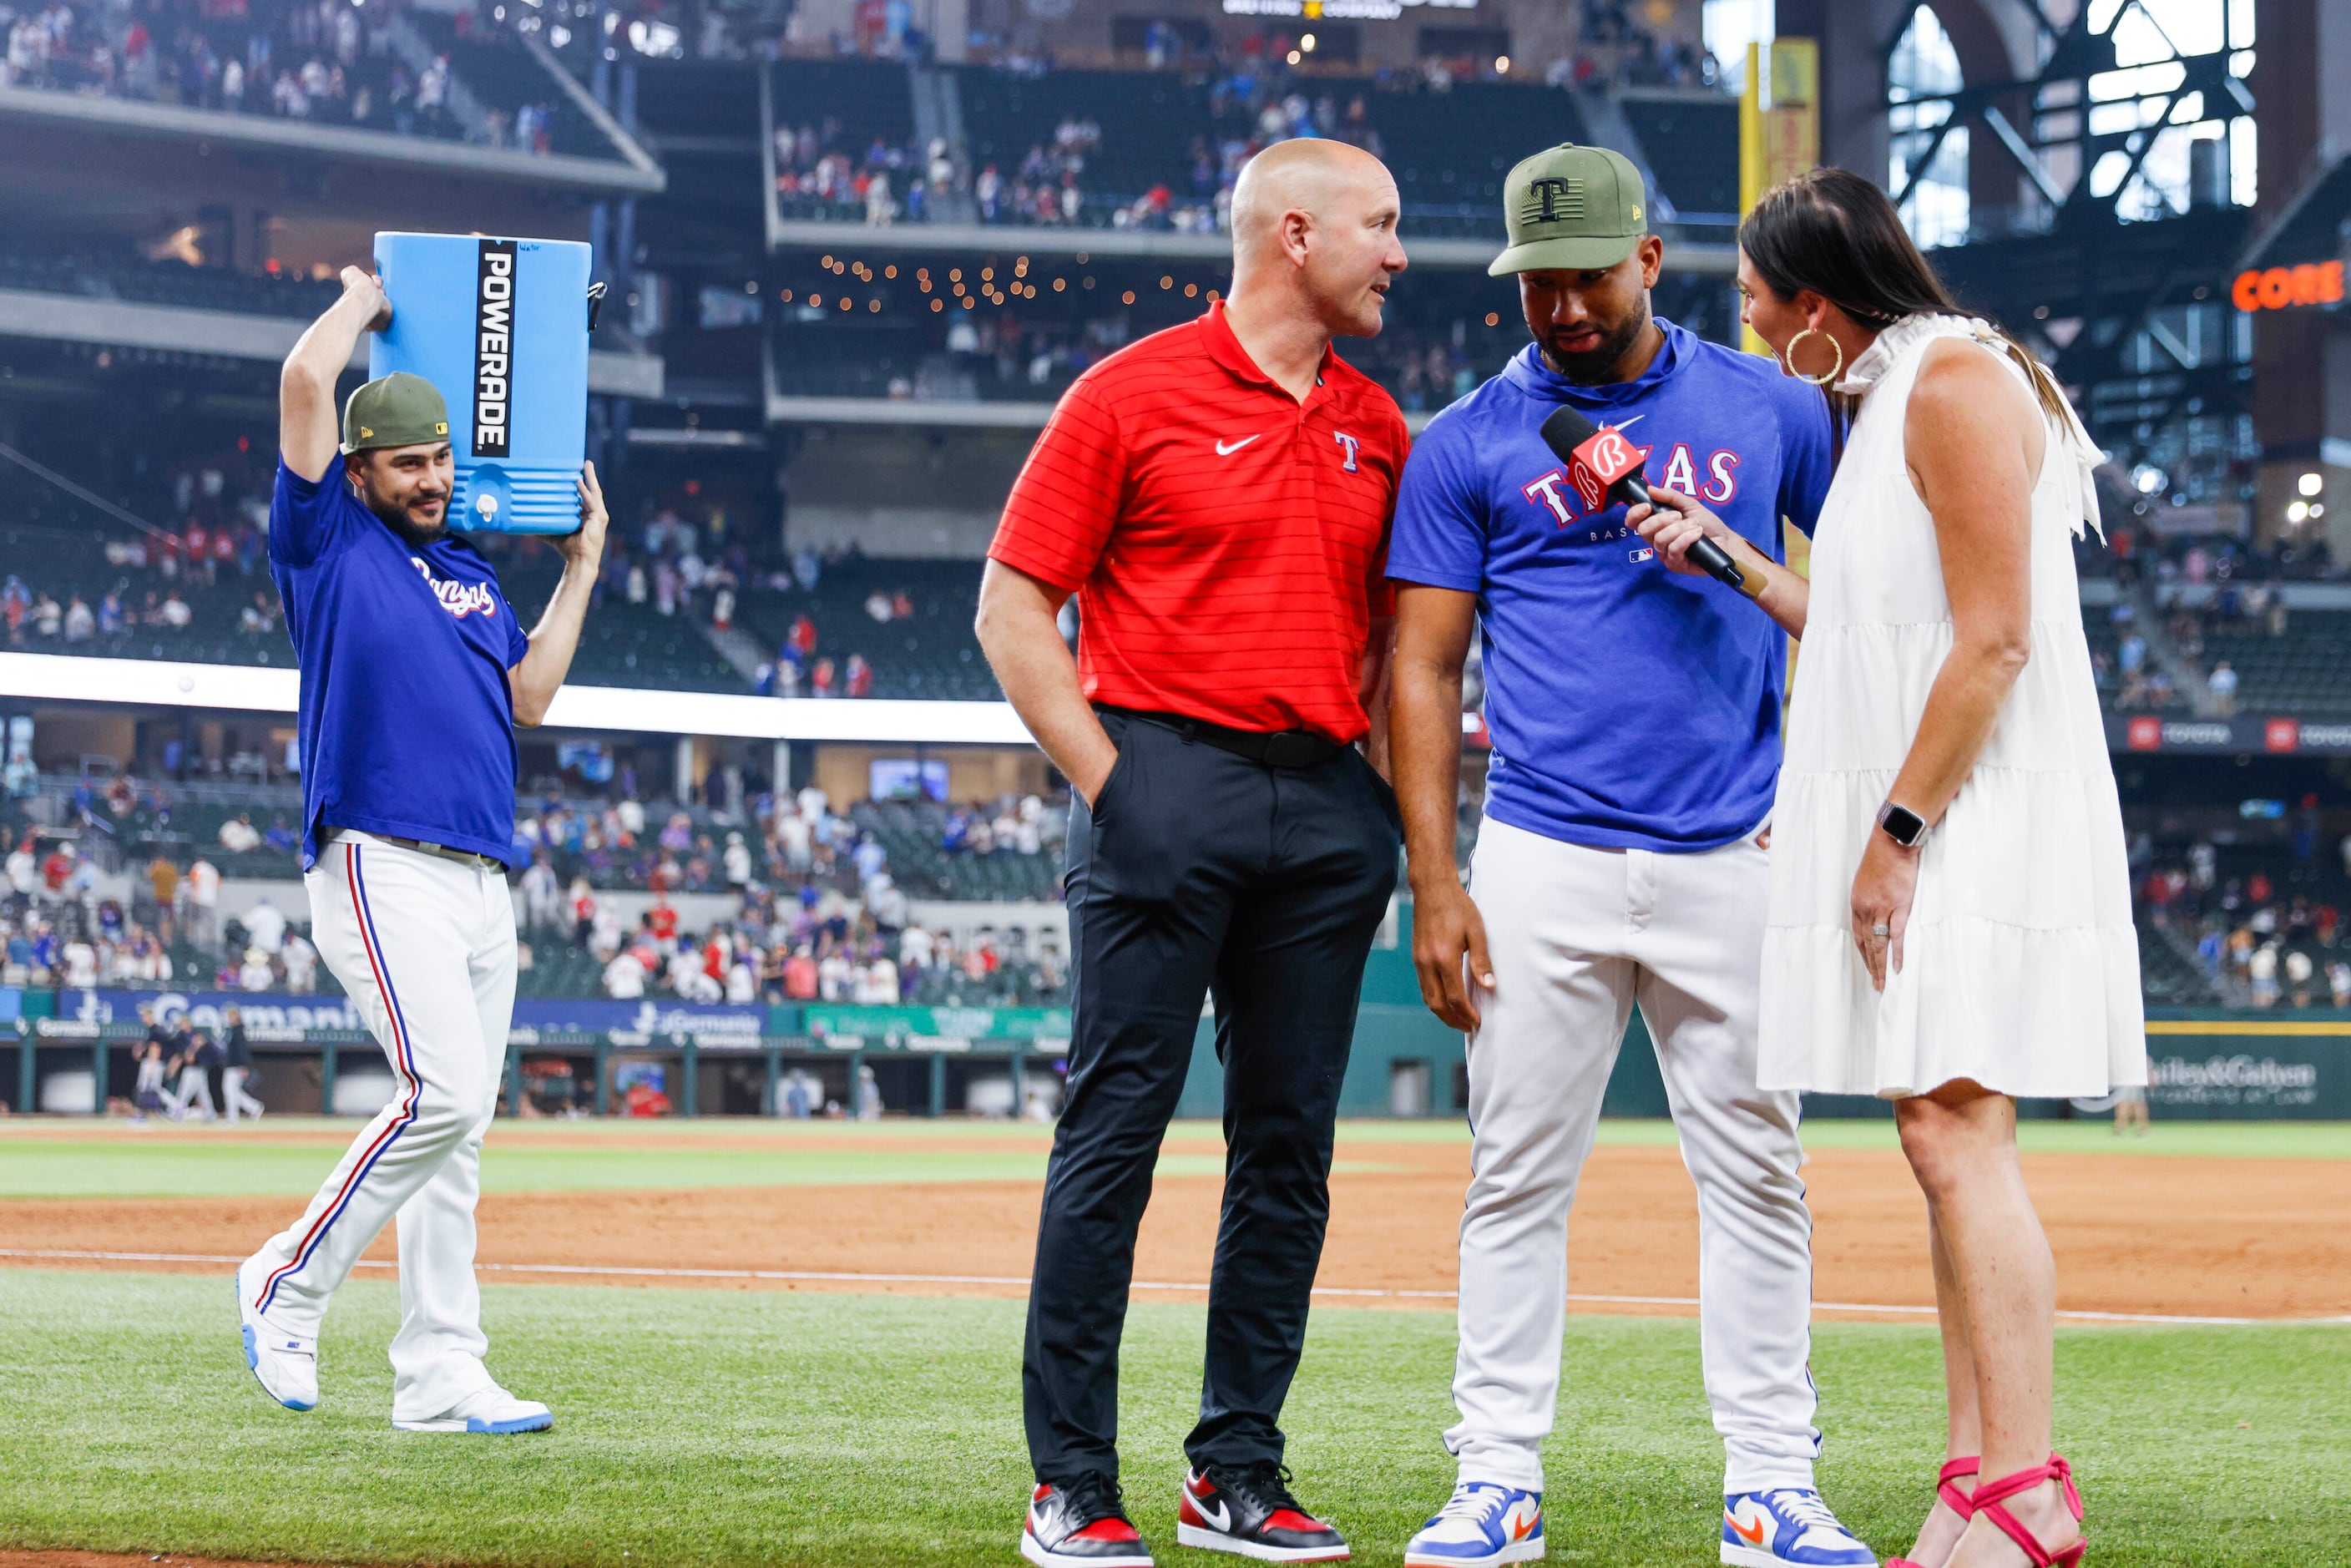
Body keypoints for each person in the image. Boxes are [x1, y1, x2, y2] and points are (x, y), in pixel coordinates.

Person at [1634, 167, 2141, 1568]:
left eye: (1752, 297)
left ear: (1816, 300)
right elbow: (1869, 629)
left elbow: (1992, 641)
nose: (1742, 323)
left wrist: (1893, 834)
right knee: (1943, 1134)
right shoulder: (1897, 389)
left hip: (1966, 809)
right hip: (1937, 795)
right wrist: (1726, 554)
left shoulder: (1956, 379)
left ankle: (2029, 1487)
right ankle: (1978, 1471)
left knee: (1952, 1131)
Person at [1386, 143, 1868, 1568]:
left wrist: (1736, 568)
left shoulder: (1773, 405)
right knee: (1514, 1172)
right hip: (1539, 848)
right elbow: (1419, 664)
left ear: (1649, 261)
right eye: (1536, 283)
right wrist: (1436, 873)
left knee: (1759, 1174)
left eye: (1587, 277)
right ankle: (1495, 1478)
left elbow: (1866, 613)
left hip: (1737, 843)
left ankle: (1772, 1485)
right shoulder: (1467, 436)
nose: (1560, 308)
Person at [976, 135, 1408, 1568]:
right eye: (1381, 226)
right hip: (1163, 773)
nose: (1401, 254)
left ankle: (1235, 1469)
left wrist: (1397, 822)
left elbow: (1405, 652)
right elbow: (1011, 610)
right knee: (1114, 1138)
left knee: (1287, 1150)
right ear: (1296, 232)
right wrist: (1115, 782)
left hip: (1325, 803)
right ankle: (1069, 1486)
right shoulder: (1129, 393)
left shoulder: (1380, 425)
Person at [235, 266, 608, 1437]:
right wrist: (363, 296)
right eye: (408, 462)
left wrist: (582, 569)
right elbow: (304, 377)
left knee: (462, 1134)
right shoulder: (324, 540)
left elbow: (532, 698)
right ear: (361, 472)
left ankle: (442, 1370)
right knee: (438, 1093)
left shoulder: (469, 573)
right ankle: (285, 1280)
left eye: (440, 459)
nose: (435, 478)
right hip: (378, 854)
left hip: (481, 875)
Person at [223, 1006, 264, 1122]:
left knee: (230, 1091)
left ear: (238, 1017)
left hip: (236, 1066)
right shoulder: (234, 1030)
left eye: (232, 1015)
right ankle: (254, 1107)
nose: (230, 1018)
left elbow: (242, 1050)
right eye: (229, 1016)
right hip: (233, 1066)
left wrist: (244, 1066)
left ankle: (232, 1117)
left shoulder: (238, 1030)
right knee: (233, 1091)